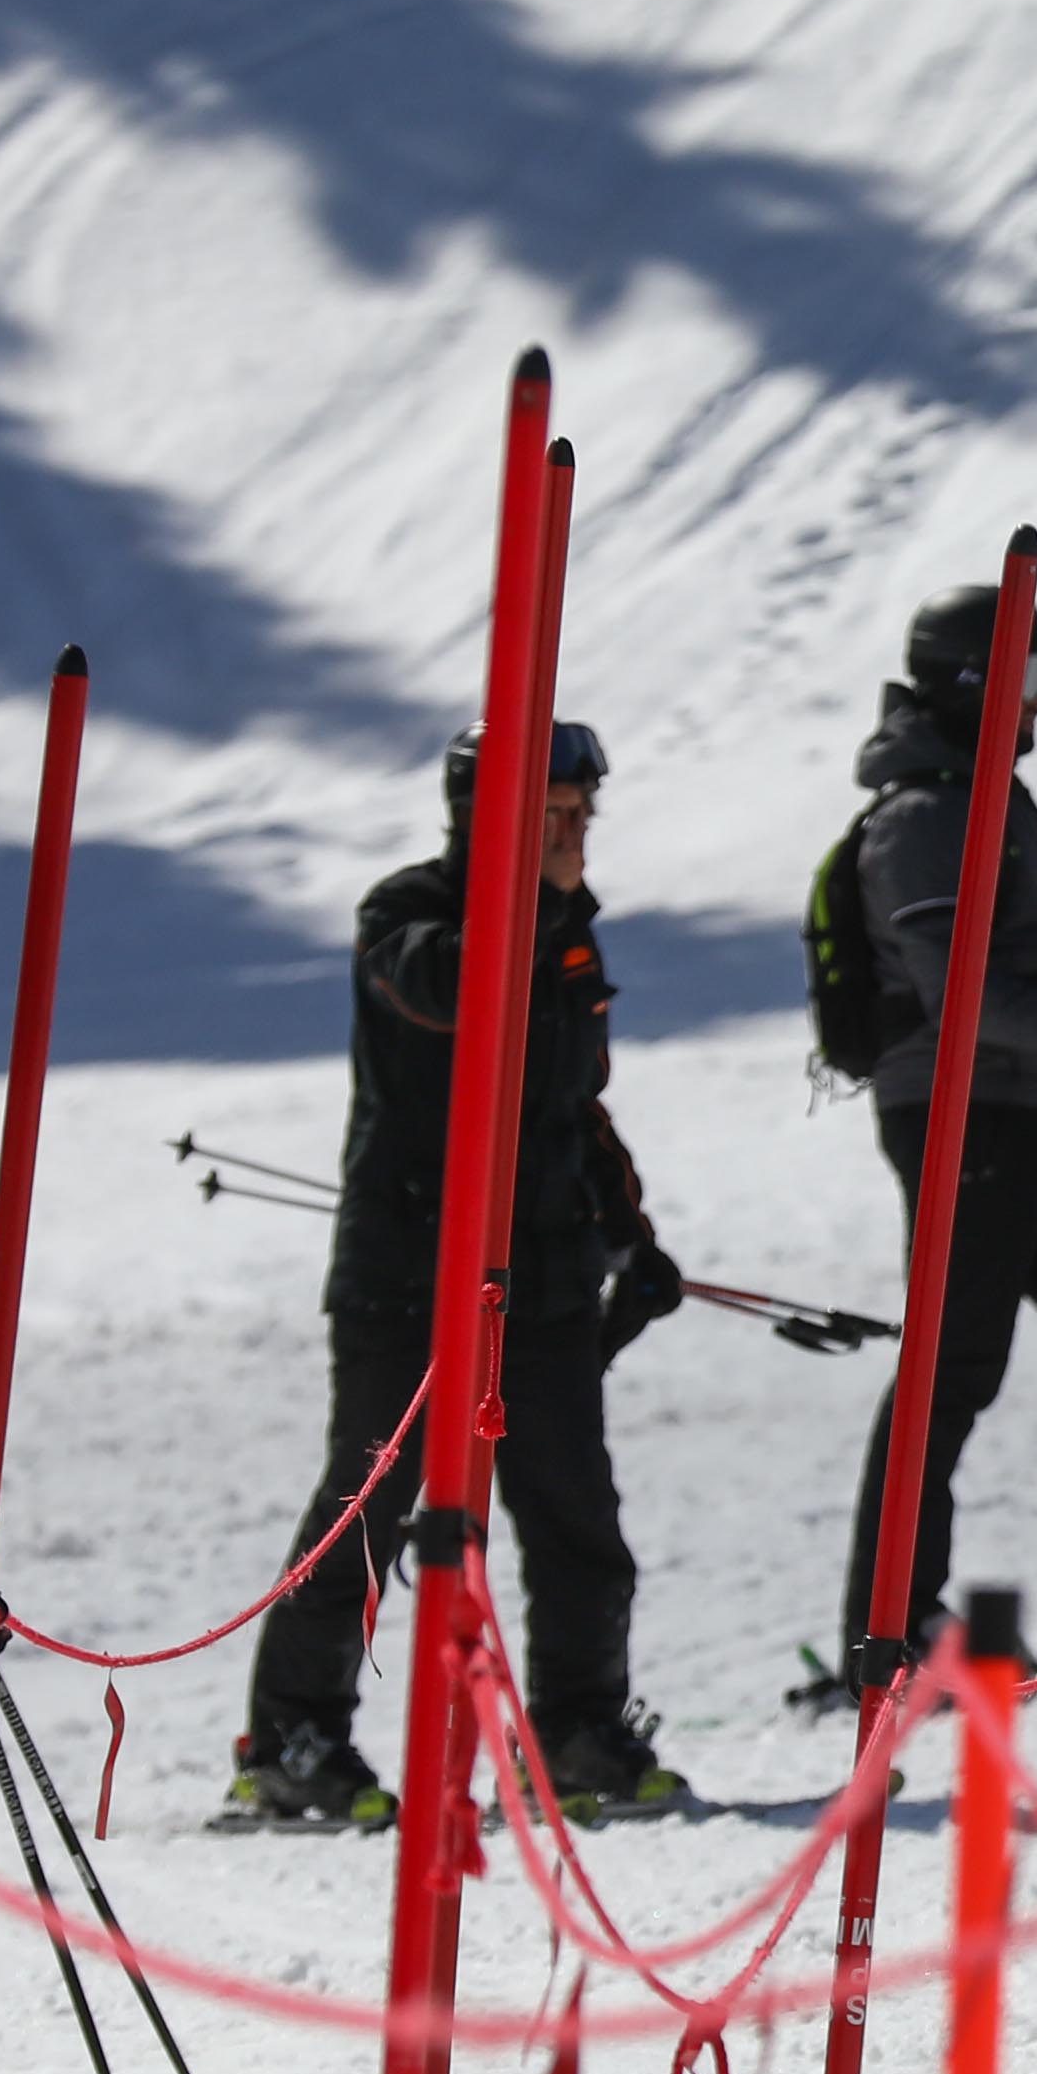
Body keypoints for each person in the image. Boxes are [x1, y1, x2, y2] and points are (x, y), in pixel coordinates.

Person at [238, 719, 676, 1826]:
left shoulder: (566, 933)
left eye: (583, 815)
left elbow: (572, 1109)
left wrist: (631, 1238)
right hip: (409, 1278)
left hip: (542, 1283)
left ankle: (578, 1731)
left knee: (578, 1520)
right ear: (492, 822)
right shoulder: (409, 914)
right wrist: (528, 903)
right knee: (368, 1506)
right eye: (554, 816)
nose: (576, 835)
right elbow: (453, 991)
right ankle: (293, 1740)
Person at [840, 584, 1037, 1666]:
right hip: (961, 1108)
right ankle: (888, 1626)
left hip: (1024, 1102)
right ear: (973, 681)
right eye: (1026, 681)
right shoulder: (923, 818)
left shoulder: (996, 802)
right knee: (954, 1362)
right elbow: (962, 996)